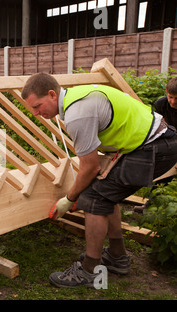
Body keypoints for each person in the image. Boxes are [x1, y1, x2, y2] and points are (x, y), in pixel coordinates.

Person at [21, 73, 177, 288]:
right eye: (33, 110)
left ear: (51, 94)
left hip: (154, 147)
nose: (37, 113)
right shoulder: (78, 96)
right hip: (155, 141)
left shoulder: (77, 114)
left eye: (38, 106)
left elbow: (90, 167)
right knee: (104, 192)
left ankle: (89, 270)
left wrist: (70, 197)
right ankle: (117, 257)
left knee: (94, 198)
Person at [134, 77, 177, 212]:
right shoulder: (160, 104)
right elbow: (161, 128)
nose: (173, 102)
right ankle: (151, 204)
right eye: (170, 97)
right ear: (166, 91)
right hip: (171, 138)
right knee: (164, 169)